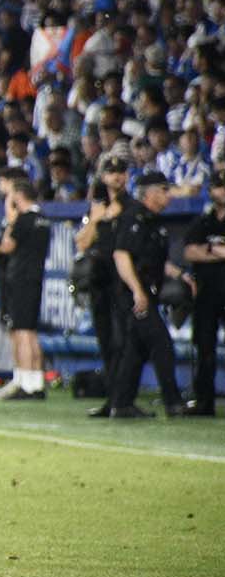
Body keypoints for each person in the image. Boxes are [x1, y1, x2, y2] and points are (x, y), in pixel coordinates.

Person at [102, 171, 189, 418]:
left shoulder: (154, 221)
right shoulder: (134, 216)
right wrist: (137, 291)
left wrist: (179, 275)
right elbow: (121, 255)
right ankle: (172, 401)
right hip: (134, 294)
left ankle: (121, 404)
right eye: (163, 189)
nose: (168, 195)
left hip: (147, 292)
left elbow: (154, 261)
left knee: (136, 350)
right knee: (161, 343)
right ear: (149, 192)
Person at [0, 178, 52, 401]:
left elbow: (8, 246)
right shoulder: (43, 219)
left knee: (21, 332)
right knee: (31, 331)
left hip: (21, 279)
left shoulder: (24, 219)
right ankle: (35, 382)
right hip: (35, 278)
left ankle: (25, 383)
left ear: (18, 196)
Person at [74, 155, 133, 408]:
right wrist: (98, 218)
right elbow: (82, 242)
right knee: (106, 340)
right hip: (100, 279)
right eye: (111, 172)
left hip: (124, 280)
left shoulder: (132, 206)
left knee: (124, 341)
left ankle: (123, 397)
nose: (117, 176)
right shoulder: (96, 207)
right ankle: (113, 398)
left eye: (121, 171)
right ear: (104, 176)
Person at [181, 170, 225, 416]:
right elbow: (189, 252)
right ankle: (204, 401)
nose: (221, 191)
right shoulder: (205, 220)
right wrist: (214, 249)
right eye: (218, 186)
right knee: (204, 347)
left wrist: (206, 249)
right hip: (207, 294)